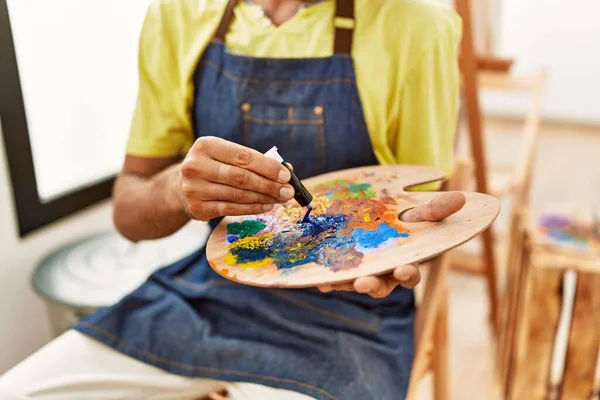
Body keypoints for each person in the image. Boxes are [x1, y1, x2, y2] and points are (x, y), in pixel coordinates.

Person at [0, 0, 464, 399]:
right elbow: (128, 212)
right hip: (211, 293)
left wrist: (389, 259)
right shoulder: (180, 13)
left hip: (350, 316)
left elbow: (414, 219)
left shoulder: (415, 25)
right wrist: (174, 191)